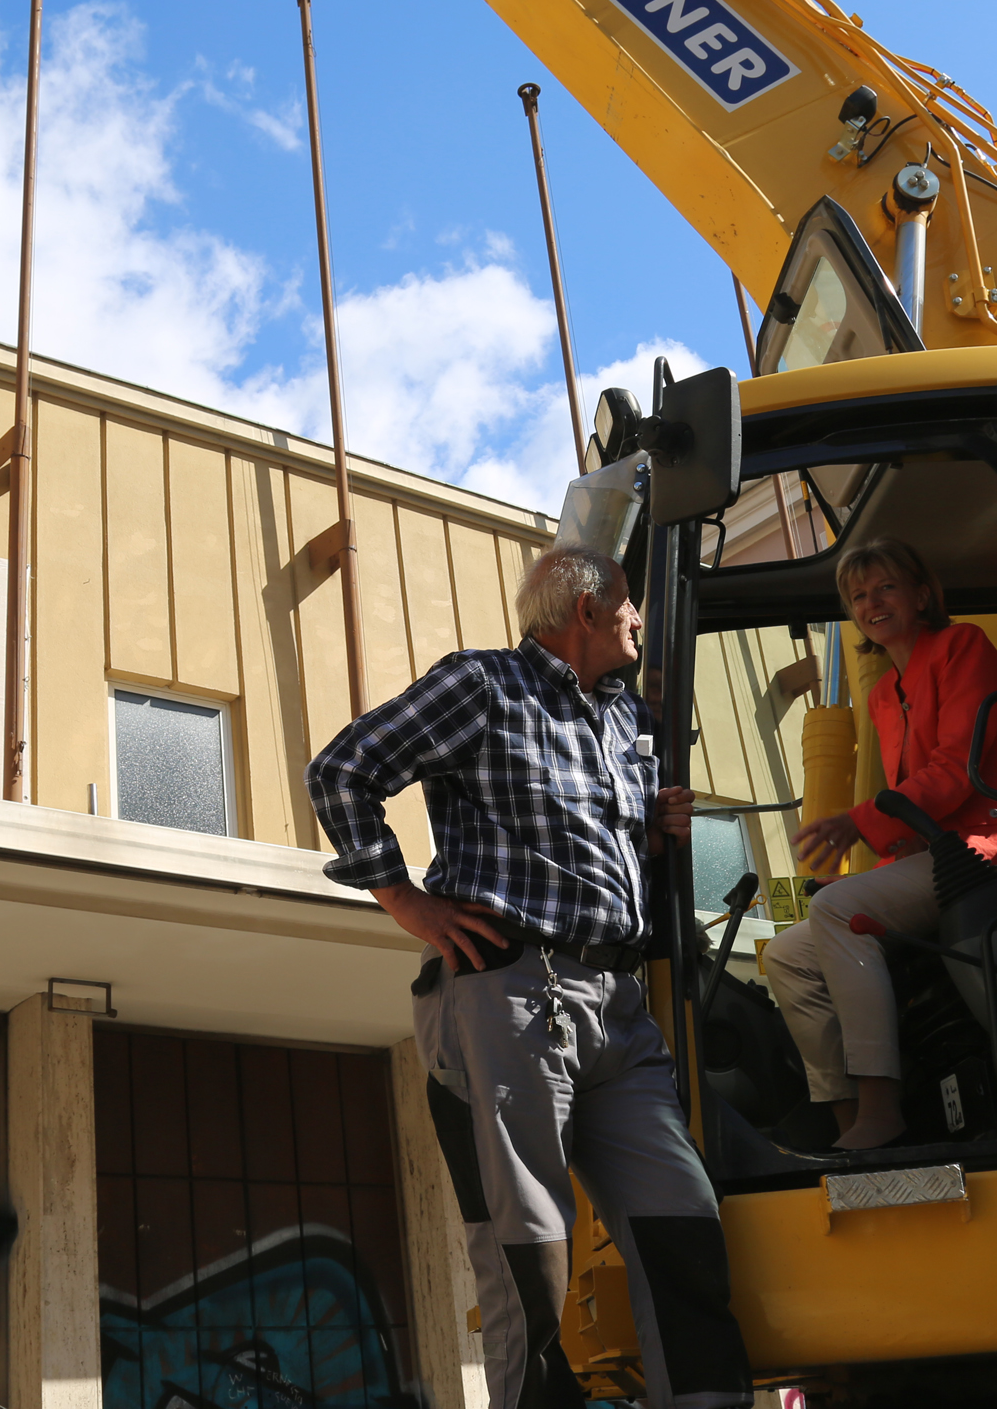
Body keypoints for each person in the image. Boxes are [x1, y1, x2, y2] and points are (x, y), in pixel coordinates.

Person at [307, 545, 755, 1409]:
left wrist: (655, 832)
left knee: (684, 1226)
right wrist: (408, 902)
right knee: (531, 1256)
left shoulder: (624, 719)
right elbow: (341, 771)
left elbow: (603, 847)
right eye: (627, 604)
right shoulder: (482, 686)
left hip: (617, 1006)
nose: (637, 620)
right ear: (584, 609)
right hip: (510, 994)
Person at [767, 537, 997, 1150]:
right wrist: (876, 861)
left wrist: (856, 825)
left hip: (992, 848)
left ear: (921, 594)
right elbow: (911, 811)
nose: (871, 602)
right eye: (858, 595)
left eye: (885, 587)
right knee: (788, 954)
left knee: (836, 912)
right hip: (940, 855)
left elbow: (951, 772)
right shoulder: (885, 695)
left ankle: (881, 1110)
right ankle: (845, 1128)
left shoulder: (962, 647)